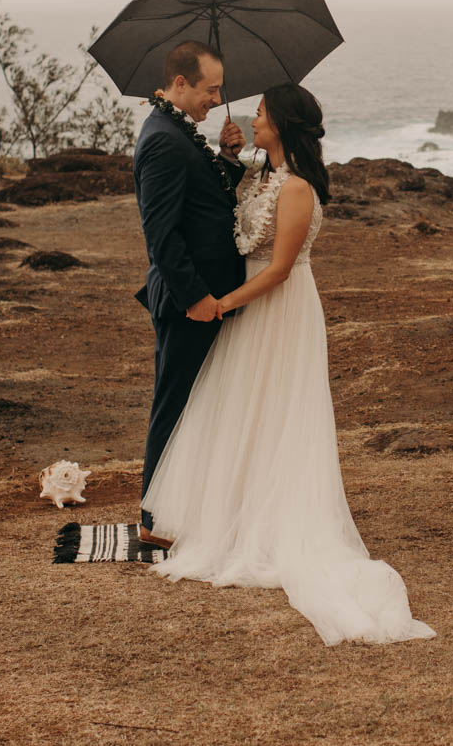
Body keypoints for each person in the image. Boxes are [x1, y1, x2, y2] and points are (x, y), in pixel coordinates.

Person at [142, 84, 435, 645]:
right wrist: (229, 158)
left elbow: (278, 269)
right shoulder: (261, 175)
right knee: (240, 409)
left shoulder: (297, 188)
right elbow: (235, 212)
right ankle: (236, 511)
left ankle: (274, 521)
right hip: (252, 306)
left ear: (282, 125)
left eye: (260, 114)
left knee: (278, 409)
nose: (252, 119)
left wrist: (221, 304)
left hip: (277, 307)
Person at [132, 40, 246, 547]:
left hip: (203, 299)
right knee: (174, 403)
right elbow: (161, 235)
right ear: (180, 84)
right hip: (187, 303)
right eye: (210, 89)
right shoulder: (162, 139)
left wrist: (226, 157)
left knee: (194, 403)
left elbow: (204, 203)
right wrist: (196, 296)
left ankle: (180, 506)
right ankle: (154, 520)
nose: (216, 99)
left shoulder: (179, 131)